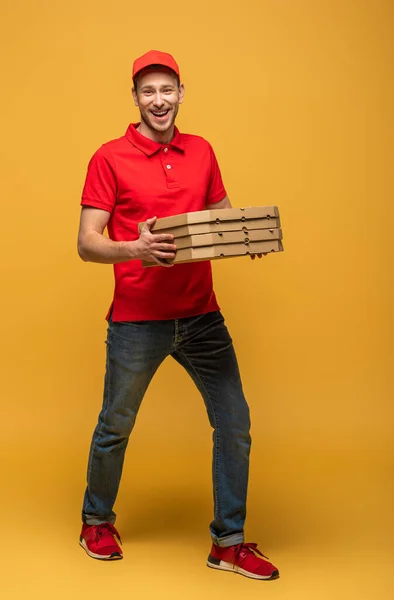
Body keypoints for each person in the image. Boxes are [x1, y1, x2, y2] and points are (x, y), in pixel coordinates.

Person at [77, 49, 279, 581]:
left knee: (234, 423)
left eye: (167, 89)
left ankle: (228, 543)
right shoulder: (109, 157)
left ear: (181, 93)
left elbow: (220, 213)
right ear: (136, 98)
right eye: (148, 91)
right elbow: (86, 243)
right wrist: (134, 249)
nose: (159, 100)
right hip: (137, 318)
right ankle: (96, 520)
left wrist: (246, 233)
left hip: (201, 315)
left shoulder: (202, 150)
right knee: (115, 425)